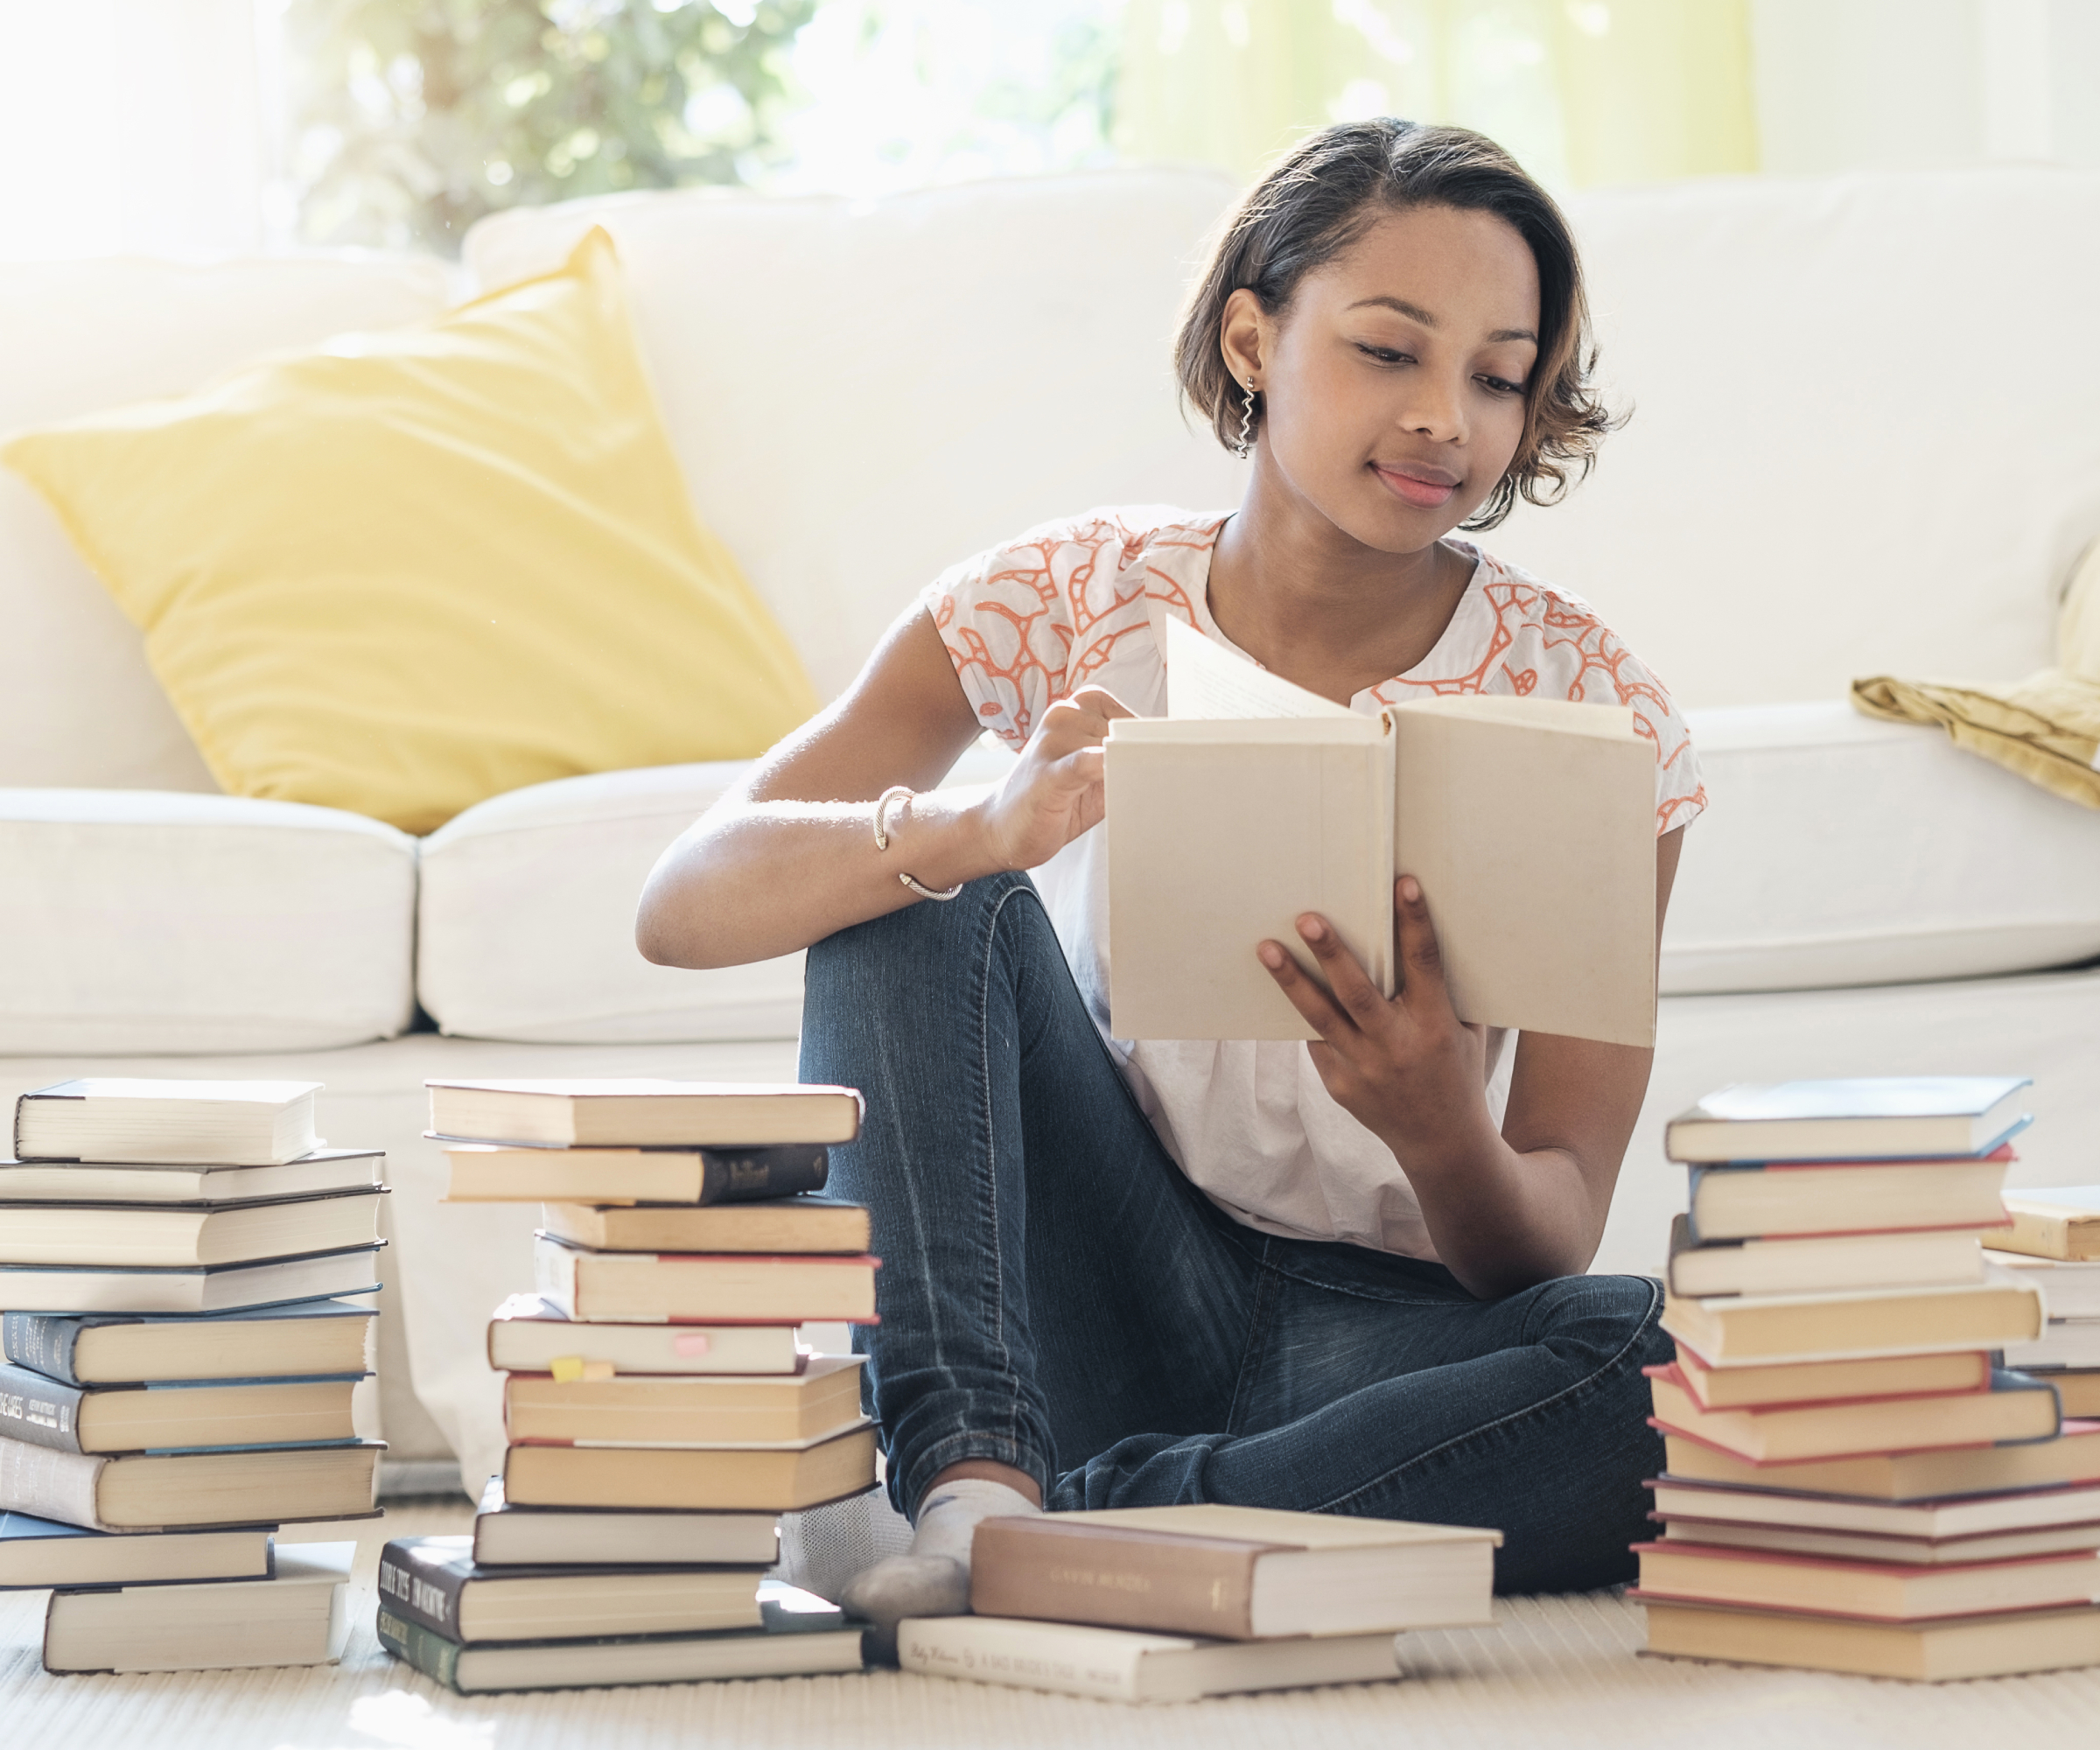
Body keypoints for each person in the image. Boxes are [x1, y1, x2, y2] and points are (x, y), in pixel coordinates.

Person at [636, 118, 1706, 1639]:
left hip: (1385, 1344)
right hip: (1092, 1288)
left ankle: (1074, 1528)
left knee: (1649, 1371)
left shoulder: (1601, 712)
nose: (1443, 424)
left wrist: (1437, 1121)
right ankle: (984, 1472)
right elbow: (680, 903)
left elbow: (1554, 1228)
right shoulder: (1067, 595)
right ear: (1253, 336)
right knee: (910, 901)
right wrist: (968, 832)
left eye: (1496, 374)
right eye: (1391, 351)